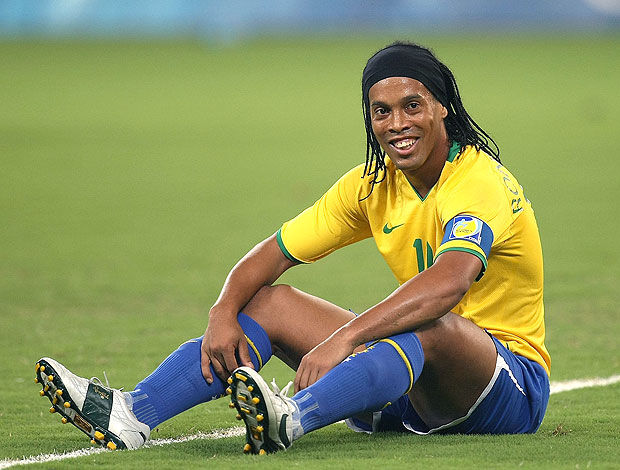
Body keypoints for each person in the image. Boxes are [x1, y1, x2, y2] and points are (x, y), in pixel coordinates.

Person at [35, 41, 550, 454]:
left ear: (441, 108)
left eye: (411, 106)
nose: (397, 124)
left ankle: (293, 416)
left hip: (508, 388)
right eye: (381, 111)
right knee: (270, 303)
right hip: (413, 392)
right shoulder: (372, 185)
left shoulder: (478, 180)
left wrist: (346, 338)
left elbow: (448, 283)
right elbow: (272, 254)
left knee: (431, 323)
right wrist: (222, 312)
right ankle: (132, 413)